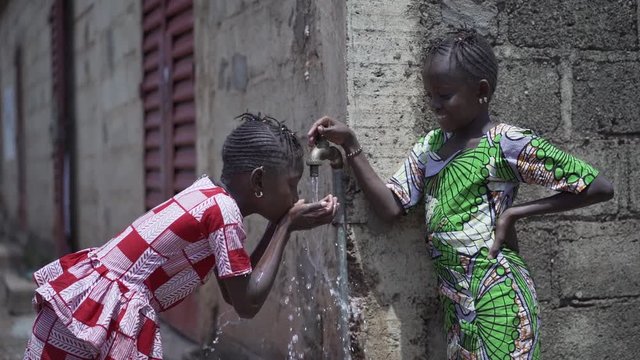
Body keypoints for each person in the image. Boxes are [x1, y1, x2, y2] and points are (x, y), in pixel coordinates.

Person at [307, 29, 614, 359]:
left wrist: (514, 214)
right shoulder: (431, 147)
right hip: (458, 309)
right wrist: (350, 144)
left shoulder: (505, 144)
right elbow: (391, 206)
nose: (435, 105)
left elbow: (597, 187)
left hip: (501, 302)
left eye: (445, 95)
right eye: (430, 96)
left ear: (481, 91)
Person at [24, 113, 339, 359]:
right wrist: (286, 227)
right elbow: (246, 304)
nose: (295, 195)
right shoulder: (224, 213)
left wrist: (280, 222)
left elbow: (235, 290)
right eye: (291, 185)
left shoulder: (209, 196)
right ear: (259, 181)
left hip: (80, 314)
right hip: (89, 323)